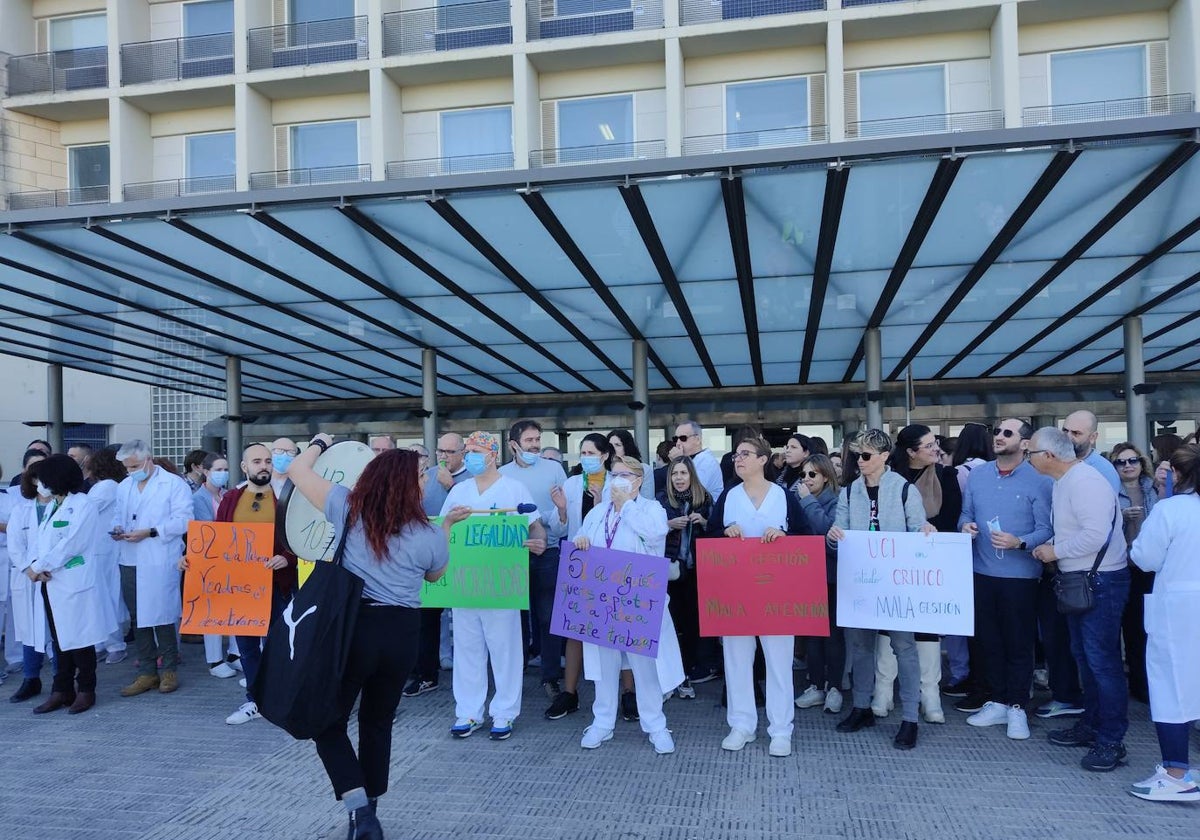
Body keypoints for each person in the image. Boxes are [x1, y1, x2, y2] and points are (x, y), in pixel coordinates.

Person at [288, 434, 449, 840]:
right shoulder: (428, 535)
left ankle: (359, 811)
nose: (427, 482)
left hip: (353, 629)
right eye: (422, 477)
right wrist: (445, 527)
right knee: (378, 723)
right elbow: (434, 574)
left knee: (327, 721)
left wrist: (321, 443)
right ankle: (369, 812)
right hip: (401, 635)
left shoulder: (347, 506)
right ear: (408, 485)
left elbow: (296, 471)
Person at [1028, 427, 1129, 772]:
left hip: (1101, 580)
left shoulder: (1084, 482)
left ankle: (1111, 740)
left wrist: (1055, 550)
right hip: (1083, 580)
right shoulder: (1065, 482)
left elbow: (1094, 536)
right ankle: (1093, 726)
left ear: (1049, 456)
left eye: (1031, 454)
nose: (1029, 460)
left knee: (1102, 663)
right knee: (1087, 659)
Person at [828, 429, 933, 751]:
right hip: (861, 580)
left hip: (895, 582)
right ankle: (861, 707)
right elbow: (839, 535)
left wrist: (925, 530)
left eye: (866, 455)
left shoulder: (903, 490)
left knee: (904, 647)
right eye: (856, 455)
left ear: (885, 456)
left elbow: (917, 528)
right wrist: (832, 538)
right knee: (859, 646)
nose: (859, 461)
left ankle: (911, 718)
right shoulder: (848, 492)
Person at [707, 435, 810, 757]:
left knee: (779, 662)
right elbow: (709, 535)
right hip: (735, 594)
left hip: (776, 594)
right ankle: (741, 725)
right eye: (736, 454)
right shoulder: (728, 495)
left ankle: (781, 729)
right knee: (736, 659)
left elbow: (806, 537)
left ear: (764, 459)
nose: (739, 459)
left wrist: (784, 534)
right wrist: (724, 533)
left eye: (746, 454)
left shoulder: (783, 496)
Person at [440, 431, 545, 741]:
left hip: (502, 585)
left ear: (492, 455)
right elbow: (442, 531)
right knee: (467, 650)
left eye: (476, 450)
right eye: (467, 450)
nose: (470, 456)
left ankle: (504, 712)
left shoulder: (514, 488)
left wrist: (538, 542)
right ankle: (469, 712)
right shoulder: (459, 491)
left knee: (505, 650)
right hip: (465, 584)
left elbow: (535, 526)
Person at [573, 457, 683, 753]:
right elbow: (581, 538)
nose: (618, 480)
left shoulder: (651, 509)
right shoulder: (597, 512)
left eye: (625, 475)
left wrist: (627, 505)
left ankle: (656, 726)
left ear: (638, 480)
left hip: (638, 600)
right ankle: (602, 722)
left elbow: (654, 534)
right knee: (604, 663)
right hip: (602, 599)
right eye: (615, 474)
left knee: (644, 666)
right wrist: (581, 541)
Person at [957, 419, 1053, 740]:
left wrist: (1020, 542)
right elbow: (965, 514)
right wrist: (965, 527)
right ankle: (997, 700)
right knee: (988, 641)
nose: (998, 437)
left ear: (1025, 443)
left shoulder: (1040, 479)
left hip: (1021, 576)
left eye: (1007, 433)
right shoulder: (979, 474)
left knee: (1019, 643)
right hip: (980, 572)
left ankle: (1017, 707)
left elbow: (1047, 529)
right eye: (996, 432)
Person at [202, 443, 297, 724]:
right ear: (245, 467)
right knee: (246, 648)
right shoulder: (231, 499)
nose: (264, 465)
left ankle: (281, 698)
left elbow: (301, 538)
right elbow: (216, 541)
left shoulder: (287, 498)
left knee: (279, 645)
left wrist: (287, 558)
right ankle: (255, 700)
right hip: (241, 588)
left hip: (278, 585)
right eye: (257, 461)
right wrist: (192, 560)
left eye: (268, 460)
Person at [1127, 444, 1200, 802]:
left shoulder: (1171, 509)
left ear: (1178, 475)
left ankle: (1176, 774)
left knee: (1171, 689)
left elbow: (1145, 557)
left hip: (1178, 611)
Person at [16, 455, 117, 715]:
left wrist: (39, 567)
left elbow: (72, 545)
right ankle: (61, 690)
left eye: (44, 479)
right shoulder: (52, 507)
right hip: (52, 584)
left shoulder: (83, 505)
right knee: (59, 639)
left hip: (75, 583)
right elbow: (41, 543)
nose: (39, 484)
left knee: (81, 640)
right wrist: (36, 566)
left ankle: (86, 690)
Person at [879, 424, 962, 725]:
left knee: (927, 624)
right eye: (928, 446)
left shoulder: (946, 476)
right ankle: (883, 690)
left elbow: (951, 519)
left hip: (930, 564)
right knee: (889, 621)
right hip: (892, 563)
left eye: (935, 444)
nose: (935, 450)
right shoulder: (887, 480)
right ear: (911, 452)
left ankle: (930, 695)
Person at [111, 439, 193, 697]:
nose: (131, 472)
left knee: (162, 614)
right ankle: (146, 672)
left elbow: (185, 520)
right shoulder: (124, 486)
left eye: (134, 466)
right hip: (130, 557)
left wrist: (151, 532)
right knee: (137, 616)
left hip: (159, 556)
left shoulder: (173, 484)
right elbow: (117, 514)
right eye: (126, 468)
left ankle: (168, 669)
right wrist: (117, 529)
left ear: (148, 459)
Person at [546, 433, 616, 721]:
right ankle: (571, 693)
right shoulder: (573, 483)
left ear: (604, 456)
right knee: (575, 630)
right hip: (577, 564)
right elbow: (559, 529)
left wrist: (601, 503)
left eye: (591, 452)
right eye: (582, 452)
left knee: (613, 629)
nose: (586, 457)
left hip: (609, 565)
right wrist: (561, 509)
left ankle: (626, 694)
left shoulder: (618, 482)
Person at [498, 420, 566, 703]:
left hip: (548, 552)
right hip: (513, 556)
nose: (535, 445)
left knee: (548, 616)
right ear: (513, 444)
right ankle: (515, 672)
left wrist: (558, 514)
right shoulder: (501, 475)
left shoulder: (554, 470)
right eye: (529, 440)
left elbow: (565, 516)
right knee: (514, 618)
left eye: (538, 439)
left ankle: (550, 677)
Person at [404, 432, 469, 700]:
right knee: (426, 618)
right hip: (430, 557)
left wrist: (451, 485)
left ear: (463, 453)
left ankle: (470, 676)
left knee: (467, 619)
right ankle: (426, 674)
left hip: (467, 560)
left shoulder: (473, 479)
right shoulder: (426, 476)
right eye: (440, 451)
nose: (443, 456)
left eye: (449, 452)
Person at [790, 454, 844, 716]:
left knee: (833, 635)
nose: (807, 479)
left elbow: (827, 530)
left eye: (812, 474)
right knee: (811, 635)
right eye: (803, 475)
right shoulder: (797, 499)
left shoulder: (837, 500)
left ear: (825, 476)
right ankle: (815, 685)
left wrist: (808, 502)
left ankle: (834, 687)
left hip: (831, 576)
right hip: (805, 575)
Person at [658, 455, 715, 692]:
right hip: (670, 569)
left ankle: (695, 667)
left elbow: (717, 531)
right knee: (673, 621)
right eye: (674, 473)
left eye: (683, 473)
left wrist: (703, 521)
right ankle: (676, 672)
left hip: (697, 569)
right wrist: (668, 525)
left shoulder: (705, 499)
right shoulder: (662, 500)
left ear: (691, 475)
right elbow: (650, 531)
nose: (679, 478)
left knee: (696, 620)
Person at [188, 452, 242, 681]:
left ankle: (234, 653)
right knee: (213, 610)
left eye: (225, 469)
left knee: (234, 608)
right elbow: (206, 529)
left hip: (231, 560)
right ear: (205, 472)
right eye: (218, 470)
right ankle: (214, 659)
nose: (223, 474)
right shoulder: (197, 498)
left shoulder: (228, 495)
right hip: (209, 561)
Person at [1110, 442, 1157, 704]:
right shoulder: (1110, 492)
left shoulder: (1153, 489)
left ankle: (1142, 684)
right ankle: (1127, 683)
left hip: (1148, 567)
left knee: (1144, 629)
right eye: (1121, 462)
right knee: (1124, 627)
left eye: (1133, 460)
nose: (1128, 466)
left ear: (1142, 462)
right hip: (1121, 565)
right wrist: (1121, 517)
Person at [6, 453, 49, 703]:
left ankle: (61, 680)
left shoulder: (64, 506)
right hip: (28, 577)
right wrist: (29, 569)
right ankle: (31, 678)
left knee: (56, 630)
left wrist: (44, 567)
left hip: (54, 576)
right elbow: (15, 546)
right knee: (29, 629)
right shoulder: (21, 510)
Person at [85, 448, 129, 665]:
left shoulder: (107, 487)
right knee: (103, 597)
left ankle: (114, 644)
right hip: (101, 549)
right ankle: (103, 643)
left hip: (104, 551)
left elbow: (85, 512)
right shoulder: (109, 486)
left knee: (107, 597)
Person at [1062, 410, 1121, 494]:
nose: (1068, 436)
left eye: (1076, 433)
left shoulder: (1104, 471)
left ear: (1093, 437)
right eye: (1065, 431)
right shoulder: (1052, 461)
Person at [674, 420, 723, 501]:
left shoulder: (707, 462)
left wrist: (678, 461)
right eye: (675, 439)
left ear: (697, 439)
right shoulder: (691, 460)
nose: (678, 443)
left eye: (683, 438)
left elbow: (690, 491)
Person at [607, 429, 654, 499]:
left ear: (627, 447)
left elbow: (648, 498)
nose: (613, 449)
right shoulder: (606, 469)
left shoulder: (644, 469)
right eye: (610, 445)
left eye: (617, 445)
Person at [775, 434, 811, 499]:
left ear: (806, 453)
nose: (788, 450)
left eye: (793, 447)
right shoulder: (781, 477)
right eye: (787, 447)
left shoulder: (810, 477)